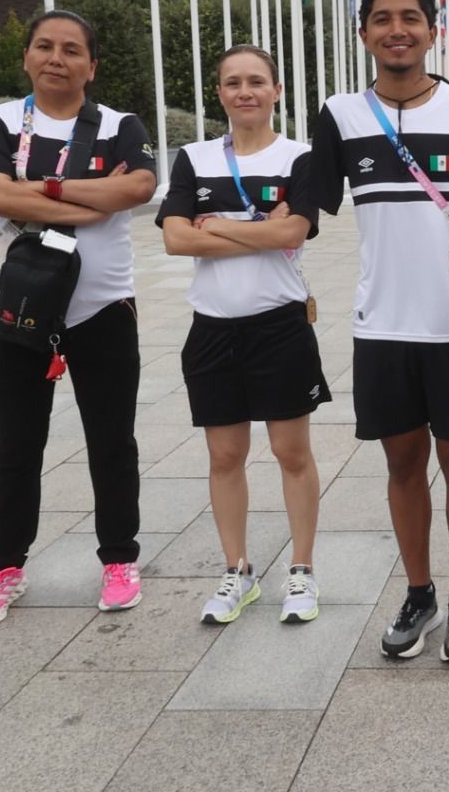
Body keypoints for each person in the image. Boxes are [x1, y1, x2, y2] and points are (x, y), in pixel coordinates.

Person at [312, 0, 449, 663]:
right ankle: (419, 591)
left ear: (432, 29)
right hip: (381, 328)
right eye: (382, 18)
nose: (397, 29)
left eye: (410, 17)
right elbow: (300, 210)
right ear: (364, 32)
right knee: (401, 462)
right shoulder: (339, 115)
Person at [0, 10, 159, 628]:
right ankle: (3, 569)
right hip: (14, 313)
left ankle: (120, 560)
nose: (57, 58)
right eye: (44, 46)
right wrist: (84, 191)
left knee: (112, 442)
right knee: (16, 447)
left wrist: (37, 187)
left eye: (72, 50)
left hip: (101, 310)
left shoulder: (121, 126)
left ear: (91, 66)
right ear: (26, 57)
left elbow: (138, 190)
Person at [158, 45, 327, 625]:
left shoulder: (299, 158)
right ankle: (238, 570)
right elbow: (176, 240)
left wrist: (221, 225)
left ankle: (301, 570)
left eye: (257, 81)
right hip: (212, 330)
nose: (245, 91)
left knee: (290, 452)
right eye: (233, 83)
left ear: (277, 90)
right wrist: (262, 227)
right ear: (221, 93)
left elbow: (296, 232)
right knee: (225, 455)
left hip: (278, 327)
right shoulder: (194, 158)